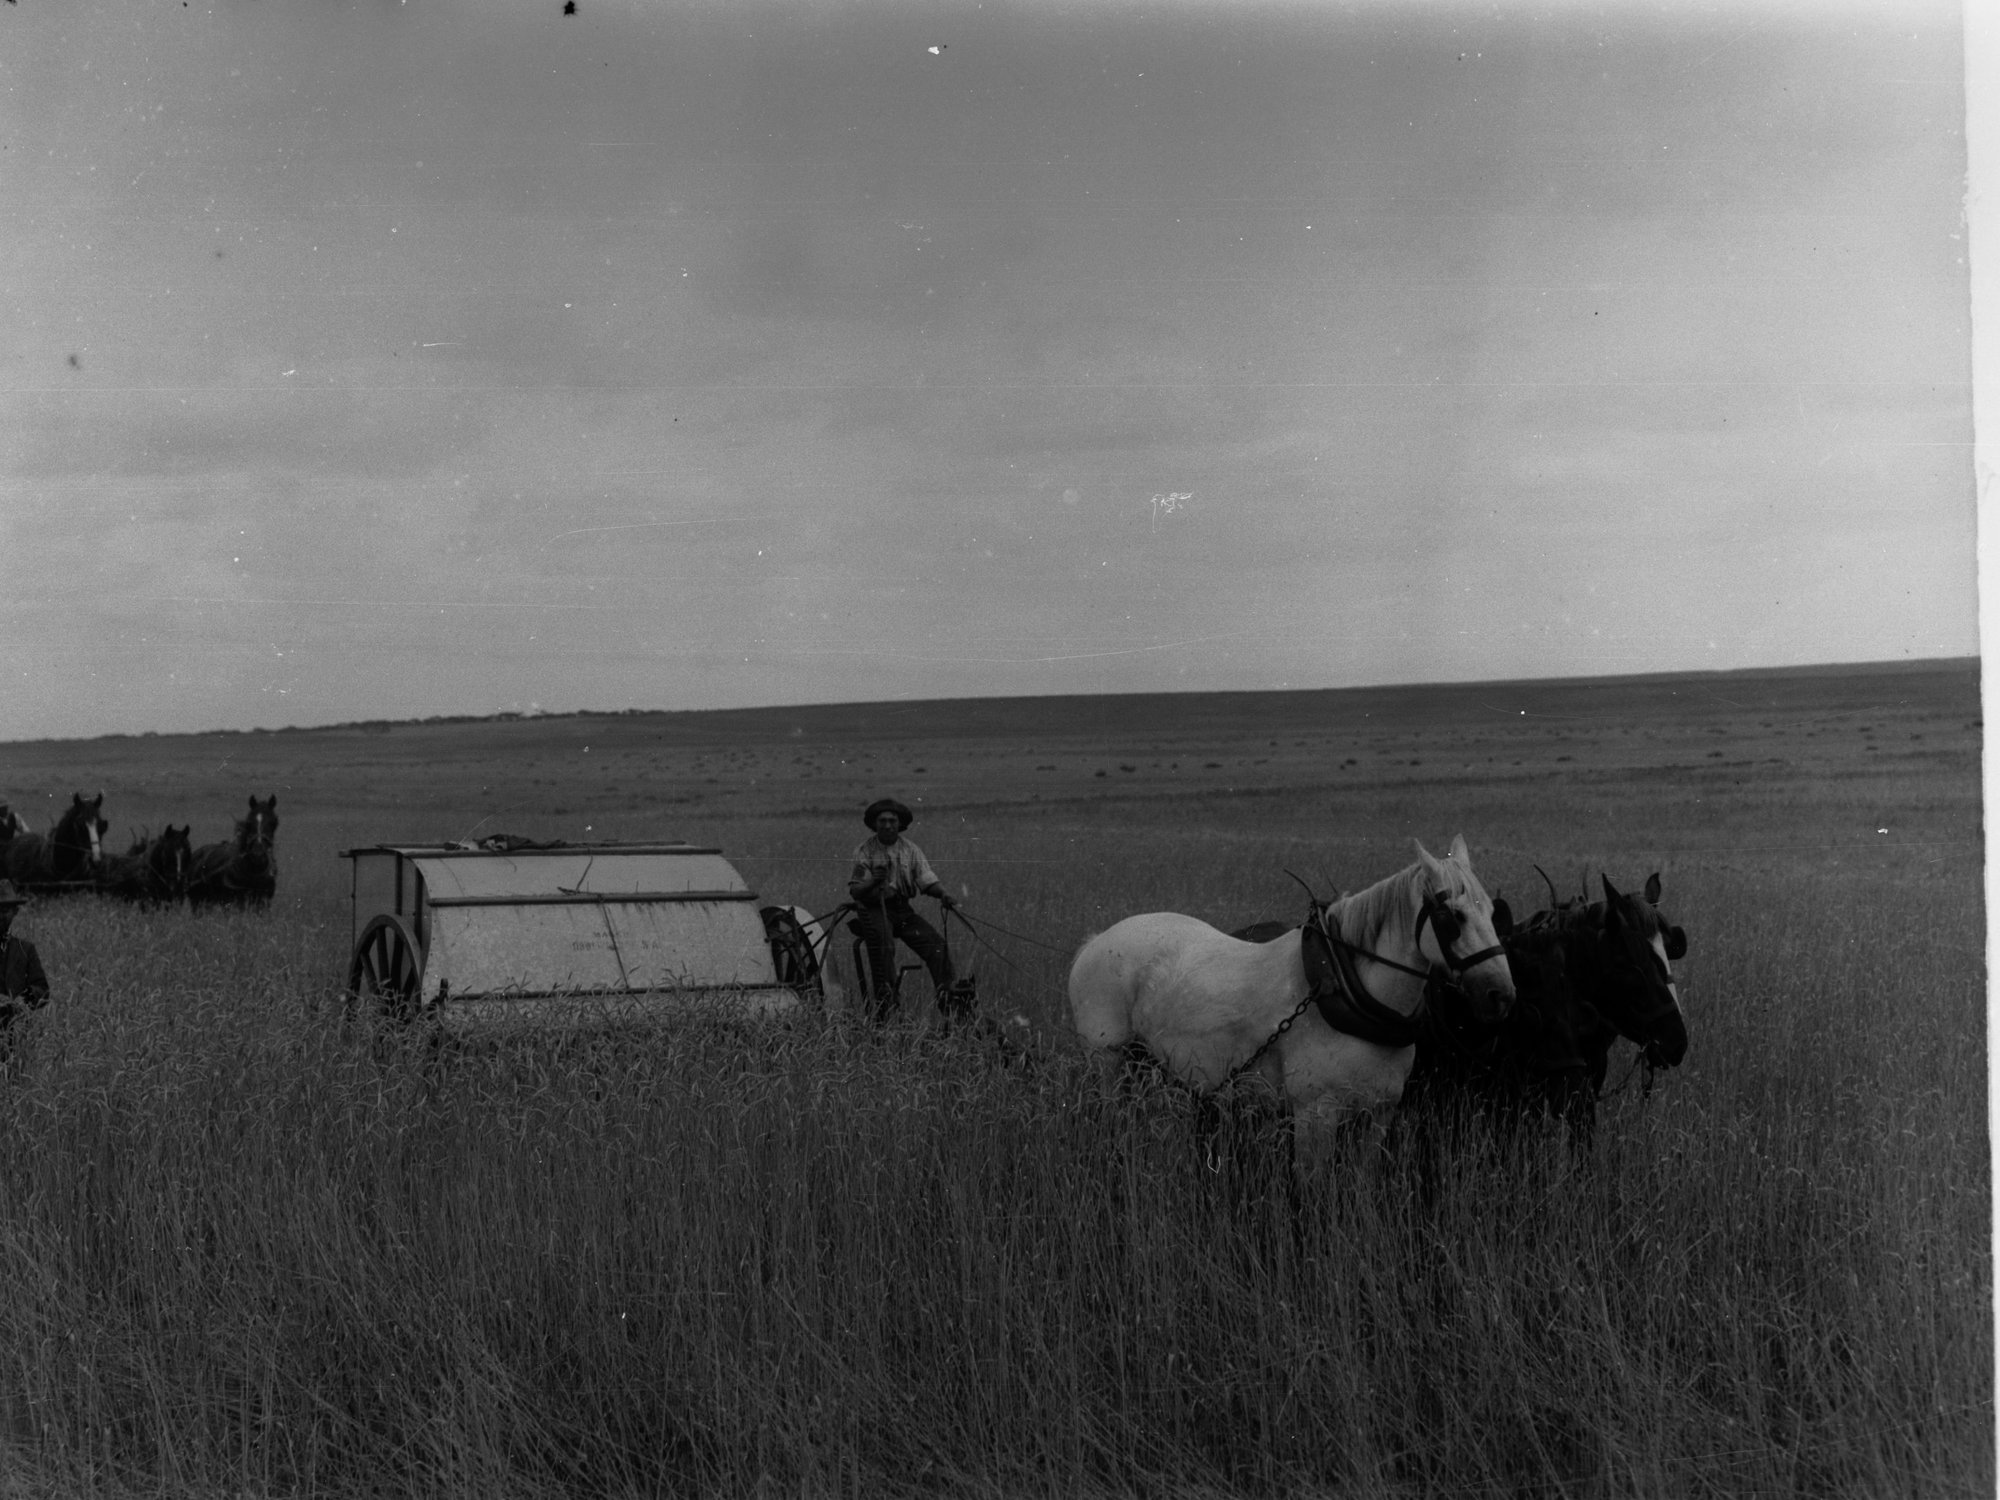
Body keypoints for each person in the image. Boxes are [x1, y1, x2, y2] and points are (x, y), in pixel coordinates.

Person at [847, 797, 958, 1013]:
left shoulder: (911, 849)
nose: (887, 825)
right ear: (874, 824)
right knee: (885, 949)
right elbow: (856, 891)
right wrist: (874, 881)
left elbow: (927, 881)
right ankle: (889, 1006)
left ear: (900, 824)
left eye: (892, 821)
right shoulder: (864, 851)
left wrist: (943, 894)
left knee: (937, 946)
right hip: (875, 909)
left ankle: (950, 1004)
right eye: (882, 821)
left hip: (903, 911)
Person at [0, 881, 50, 1058]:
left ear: (15, 912)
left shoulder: (26, 949)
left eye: (5, 910)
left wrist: (24, 999)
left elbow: (43, 990)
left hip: (17, 1036)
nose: (0, 916)